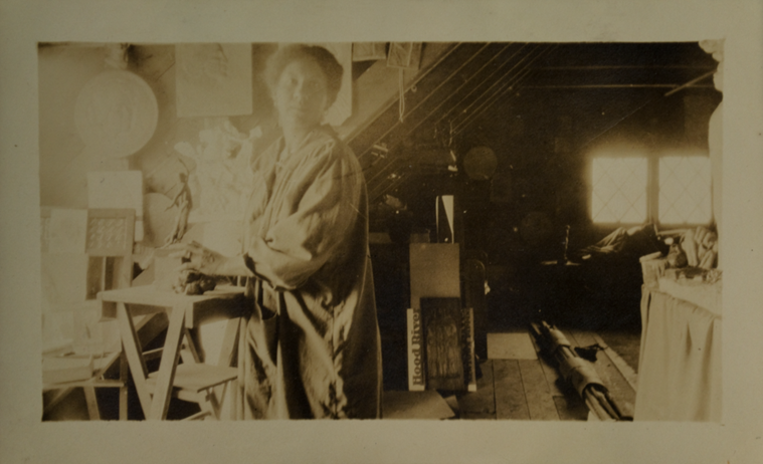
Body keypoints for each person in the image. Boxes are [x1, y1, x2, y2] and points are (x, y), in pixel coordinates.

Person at [172, 44, 382, 419]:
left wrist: (220, 264)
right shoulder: (270, 159)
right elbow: (256, 246)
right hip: (269, 325)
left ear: (329, 99)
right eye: (291, 83)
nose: (300, 94)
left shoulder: (332, 159)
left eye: (313, 87)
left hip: (317, 330)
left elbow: (292, 255)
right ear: (274, 92)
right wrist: (210, 275)